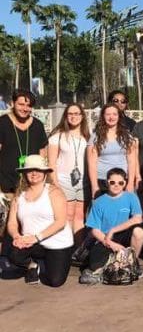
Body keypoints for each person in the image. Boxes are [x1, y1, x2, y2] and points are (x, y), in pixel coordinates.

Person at [7, 155, 74, 286]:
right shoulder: (19, 195)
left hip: (56, 243)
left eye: (38, 170)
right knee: (14, 253)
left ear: (45, 173)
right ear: (24, 173)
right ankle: (32, 265)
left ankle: (49, 262)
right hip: (30, 242)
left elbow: (60, 222)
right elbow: (12, 222)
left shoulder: (54, 192)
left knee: (55, 281)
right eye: (30, 170)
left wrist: (36, 237)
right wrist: (16, 236)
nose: (34, 173)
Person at [81, 167, 143, 284]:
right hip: (105, 238)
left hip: (124, 234)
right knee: (94, 265)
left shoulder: (131, 197)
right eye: (112, 182)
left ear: (125, 183)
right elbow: (95, 229)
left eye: (120, 183)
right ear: (107, 182)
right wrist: (110, 244)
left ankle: (131, 263)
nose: (116, 185)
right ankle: (113, 263)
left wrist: (114, 230)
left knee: (139, 232)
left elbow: (137, 218)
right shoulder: (99, 202)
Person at [47, 103, 90, 243]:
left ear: (82, 116)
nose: (74, 117)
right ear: (66, 116)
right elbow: (51, 163)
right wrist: (55, 183)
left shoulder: (88, 137)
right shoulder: (57, 137)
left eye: (77, 113)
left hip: (83, 182)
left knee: (80, 216)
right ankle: (66, 246)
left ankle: (77, 249)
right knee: (68, 215)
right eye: (70, 114)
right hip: (64, 181)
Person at [0, 89, 48, 200]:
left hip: (32, 185)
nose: (25, 109)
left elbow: (42, 154)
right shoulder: (2, 123)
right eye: (21, 104)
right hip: (6, 187)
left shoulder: (37, 125)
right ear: (12, 103)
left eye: (28, 105)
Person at [87, 103, 136, 197]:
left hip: (122, 181)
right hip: (102, 181)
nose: (111, 117)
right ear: (103, 116)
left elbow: (131, 161)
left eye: (114, 114)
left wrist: (130, 183)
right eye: (108, 114)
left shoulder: (127, 136)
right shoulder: (96, 137)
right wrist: (94, 186)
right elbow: (92, 163)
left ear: (119, 116)